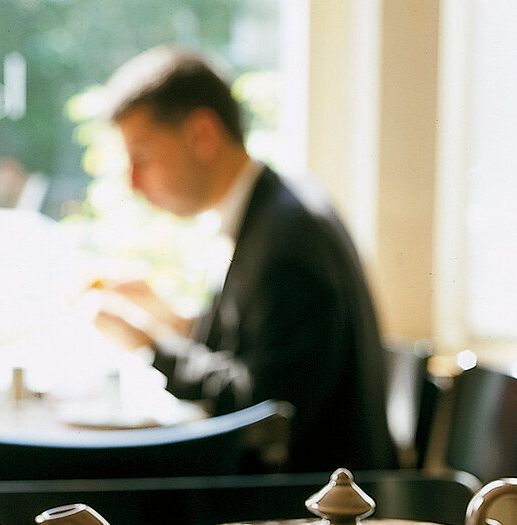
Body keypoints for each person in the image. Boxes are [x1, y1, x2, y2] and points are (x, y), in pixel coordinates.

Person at [94, 48, 397, 473]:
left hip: (307, 516)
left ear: (202, 135)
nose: (132, 180)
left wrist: (152, 345)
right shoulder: (273, 210)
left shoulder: (288, 242)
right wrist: (174, 320)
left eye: (142, 156)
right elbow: (260, 350)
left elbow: (264, 410)